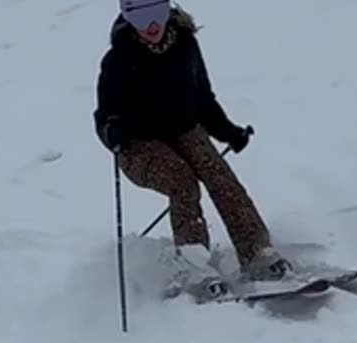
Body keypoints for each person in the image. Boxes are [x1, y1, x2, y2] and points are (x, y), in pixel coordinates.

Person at [93, 0, 292, 297]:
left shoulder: (185, 44)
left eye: (156, 13)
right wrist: (112, 131)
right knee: (181, 180)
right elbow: (105, 114)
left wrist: (229, 132)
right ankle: (195, 266)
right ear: (126, 17)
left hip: (183, 130)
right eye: (139, 16)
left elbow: (202, 99)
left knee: (219, 176)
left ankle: (257, 254)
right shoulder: (118, 59)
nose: (151, 25)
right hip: (138, 144)